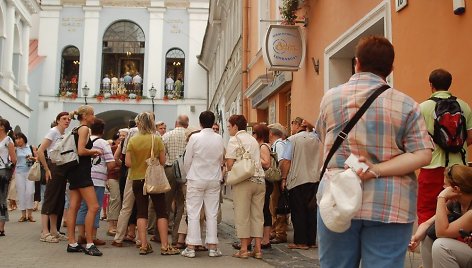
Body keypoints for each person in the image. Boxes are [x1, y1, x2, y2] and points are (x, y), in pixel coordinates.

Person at [315, 36, 433, 268]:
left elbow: (322, 137)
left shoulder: (331, 98)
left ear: (356, 63)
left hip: (337, 196)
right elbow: (423, 154)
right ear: (390, 69)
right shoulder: (407, 105)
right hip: (389, 202)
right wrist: (376, 169)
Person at [417, 69, 472, 225]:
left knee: (427, 210)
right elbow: (470, 136)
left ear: (431, 85)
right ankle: (454, 245)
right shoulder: (464, 106)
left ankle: (428, 246)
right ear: (450, 84)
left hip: (432, 167)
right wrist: (454, 148)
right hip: (459, 169)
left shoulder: (422, 108)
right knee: (459, 209)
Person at [125, 111, 180, 255]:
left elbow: (128, 163)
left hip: (137, 179)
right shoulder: (156, 139)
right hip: (154, 179)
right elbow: (162, 161)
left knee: (141, 212)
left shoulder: (133, 140)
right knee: (161, 212)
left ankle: (143, 245)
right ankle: (164, 245)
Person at [409, 164, 472, 268]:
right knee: (428, 234)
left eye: (445, 185)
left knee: (441, 245)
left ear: (456, 189)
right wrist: (415, 238)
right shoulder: (457, 203)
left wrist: (441, 197)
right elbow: (428, 223)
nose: (443, 188)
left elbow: (442, 232)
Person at [180, 111, 225, 258]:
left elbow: (187, 160)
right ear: (213, 123)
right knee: (212, 213)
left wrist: (189, 174)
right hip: (213, 178)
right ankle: (212, 246)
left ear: (200, 122)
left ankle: (191, 246)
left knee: (193, 212)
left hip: (196, 177)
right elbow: (221, 159)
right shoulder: (219, 138)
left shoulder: (194, 137)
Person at [225, 114, 265, 259]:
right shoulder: (253, 140)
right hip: (260, 180)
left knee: (242, 214)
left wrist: (231, 170)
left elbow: (229, 163)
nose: (228, 129)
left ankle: (243, 249)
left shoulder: (234, 139)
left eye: (229, 126)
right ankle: (258, 249)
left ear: (235, 126)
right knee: (257, 215)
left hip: (244, 181)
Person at [66, 105, 103, 256]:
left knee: (73, 206)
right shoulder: (84, 129)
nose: (94, 117)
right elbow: (81, 150)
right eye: (92, 114)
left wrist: (89, 153)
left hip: (74, 171)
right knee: (93, 206)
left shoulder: (75, 129)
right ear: (86, 116)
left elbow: (79, 151)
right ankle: (89, 243)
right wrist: (94, 151)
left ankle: (72, 242)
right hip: (82, 172)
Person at [280, 117, 322, 249]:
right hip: (315, 178)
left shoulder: (292, 140)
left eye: (292, 123)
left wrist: (284, 178)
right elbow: (319, 130)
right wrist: (310, 124)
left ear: (297, 125)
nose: (290, 127)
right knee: (311, 210)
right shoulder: (316, 138)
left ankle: (300, 241)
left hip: (297, 179)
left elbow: (287, 161)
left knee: (298, 211)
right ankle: (311, 240)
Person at [76, 118, 115, 246]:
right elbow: (111, 163)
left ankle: (81, 235)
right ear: (102, 131)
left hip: (83, 177)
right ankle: (92, 235)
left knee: (83, 207)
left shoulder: (85, 140)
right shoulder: (103, 143)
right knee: (95, 207)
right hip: (98, 179)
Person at [37, 112, 71, 243]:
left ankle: (53, 230)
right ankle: (44, 232)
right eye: (64, 119)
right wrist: (46, 168)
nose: (67, 121)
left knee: (58, 200)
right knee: (50, 199)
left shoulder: (62, 134)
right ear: (57, 120)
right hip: (53, 166)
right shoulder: (53, 132)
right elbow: (40, 150)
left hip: (61, 167)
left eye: (68, 119)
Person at [162, 115, 188, 245]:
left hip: (169, 169)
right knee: (181, 205)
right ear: (187, 124)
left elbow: (161, 154)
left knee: (165, 203)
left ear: (176, 123)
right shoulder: (189, 136)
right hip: (184, 170)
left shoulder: (166, 135)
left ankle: (160, 235)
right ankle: (177, 237)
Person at [252, 123, 273, 249]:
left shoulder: (263, 146)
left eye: (254, 132)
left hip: (265, 180)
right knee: (263, 209)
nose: (252, 135)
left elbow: (267, 163)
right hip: (264, 181)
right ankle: (263, 239)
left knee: (264, 209)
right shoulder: (260, 145)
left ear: (259, 134)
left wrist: (254, 158)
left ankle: (265, 239)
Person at [267, 123, 288, 244]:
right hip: (279, 178)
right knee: (275, 205)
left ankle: (279, 232)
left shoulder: (279, 145)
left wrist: (281, 178)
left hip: (278, 178)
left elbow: (281, 161)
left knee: (277, 205)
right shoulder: (281, 144)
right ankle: (275, 231)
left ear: (271, 133)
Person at [14, 132, 36, 222]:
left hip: (30, 172)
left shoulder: (31, 147)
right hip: (19, 172)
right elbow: (12, 160)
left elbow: (37, 158)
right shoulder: (15, 149)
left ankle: (30, 214)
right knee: (21, 193)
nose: (18, 140)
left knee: (30, 192)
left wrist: (32, 158)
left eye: (19, 138)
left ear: (24, 138)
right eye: (16, 139)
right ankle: (23, 214)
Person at [0, 118, 17, 236]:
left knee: (2, 199)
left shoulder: (8, 140)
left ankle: (1, 227)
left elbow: (14, 159)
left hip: (3, 171)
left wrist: (9, 174)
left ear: (2, 127)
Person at [106, 132, 122, 236]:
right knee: (115, 199)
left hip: (121, 177)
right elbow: (109, 163)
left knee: (119, 200)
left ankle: (117, 225)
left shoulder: (126, 149)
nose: (121, 141)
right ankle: (111, 226)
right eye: (120, 139)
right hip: (113, 177)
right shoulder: (113, 149)